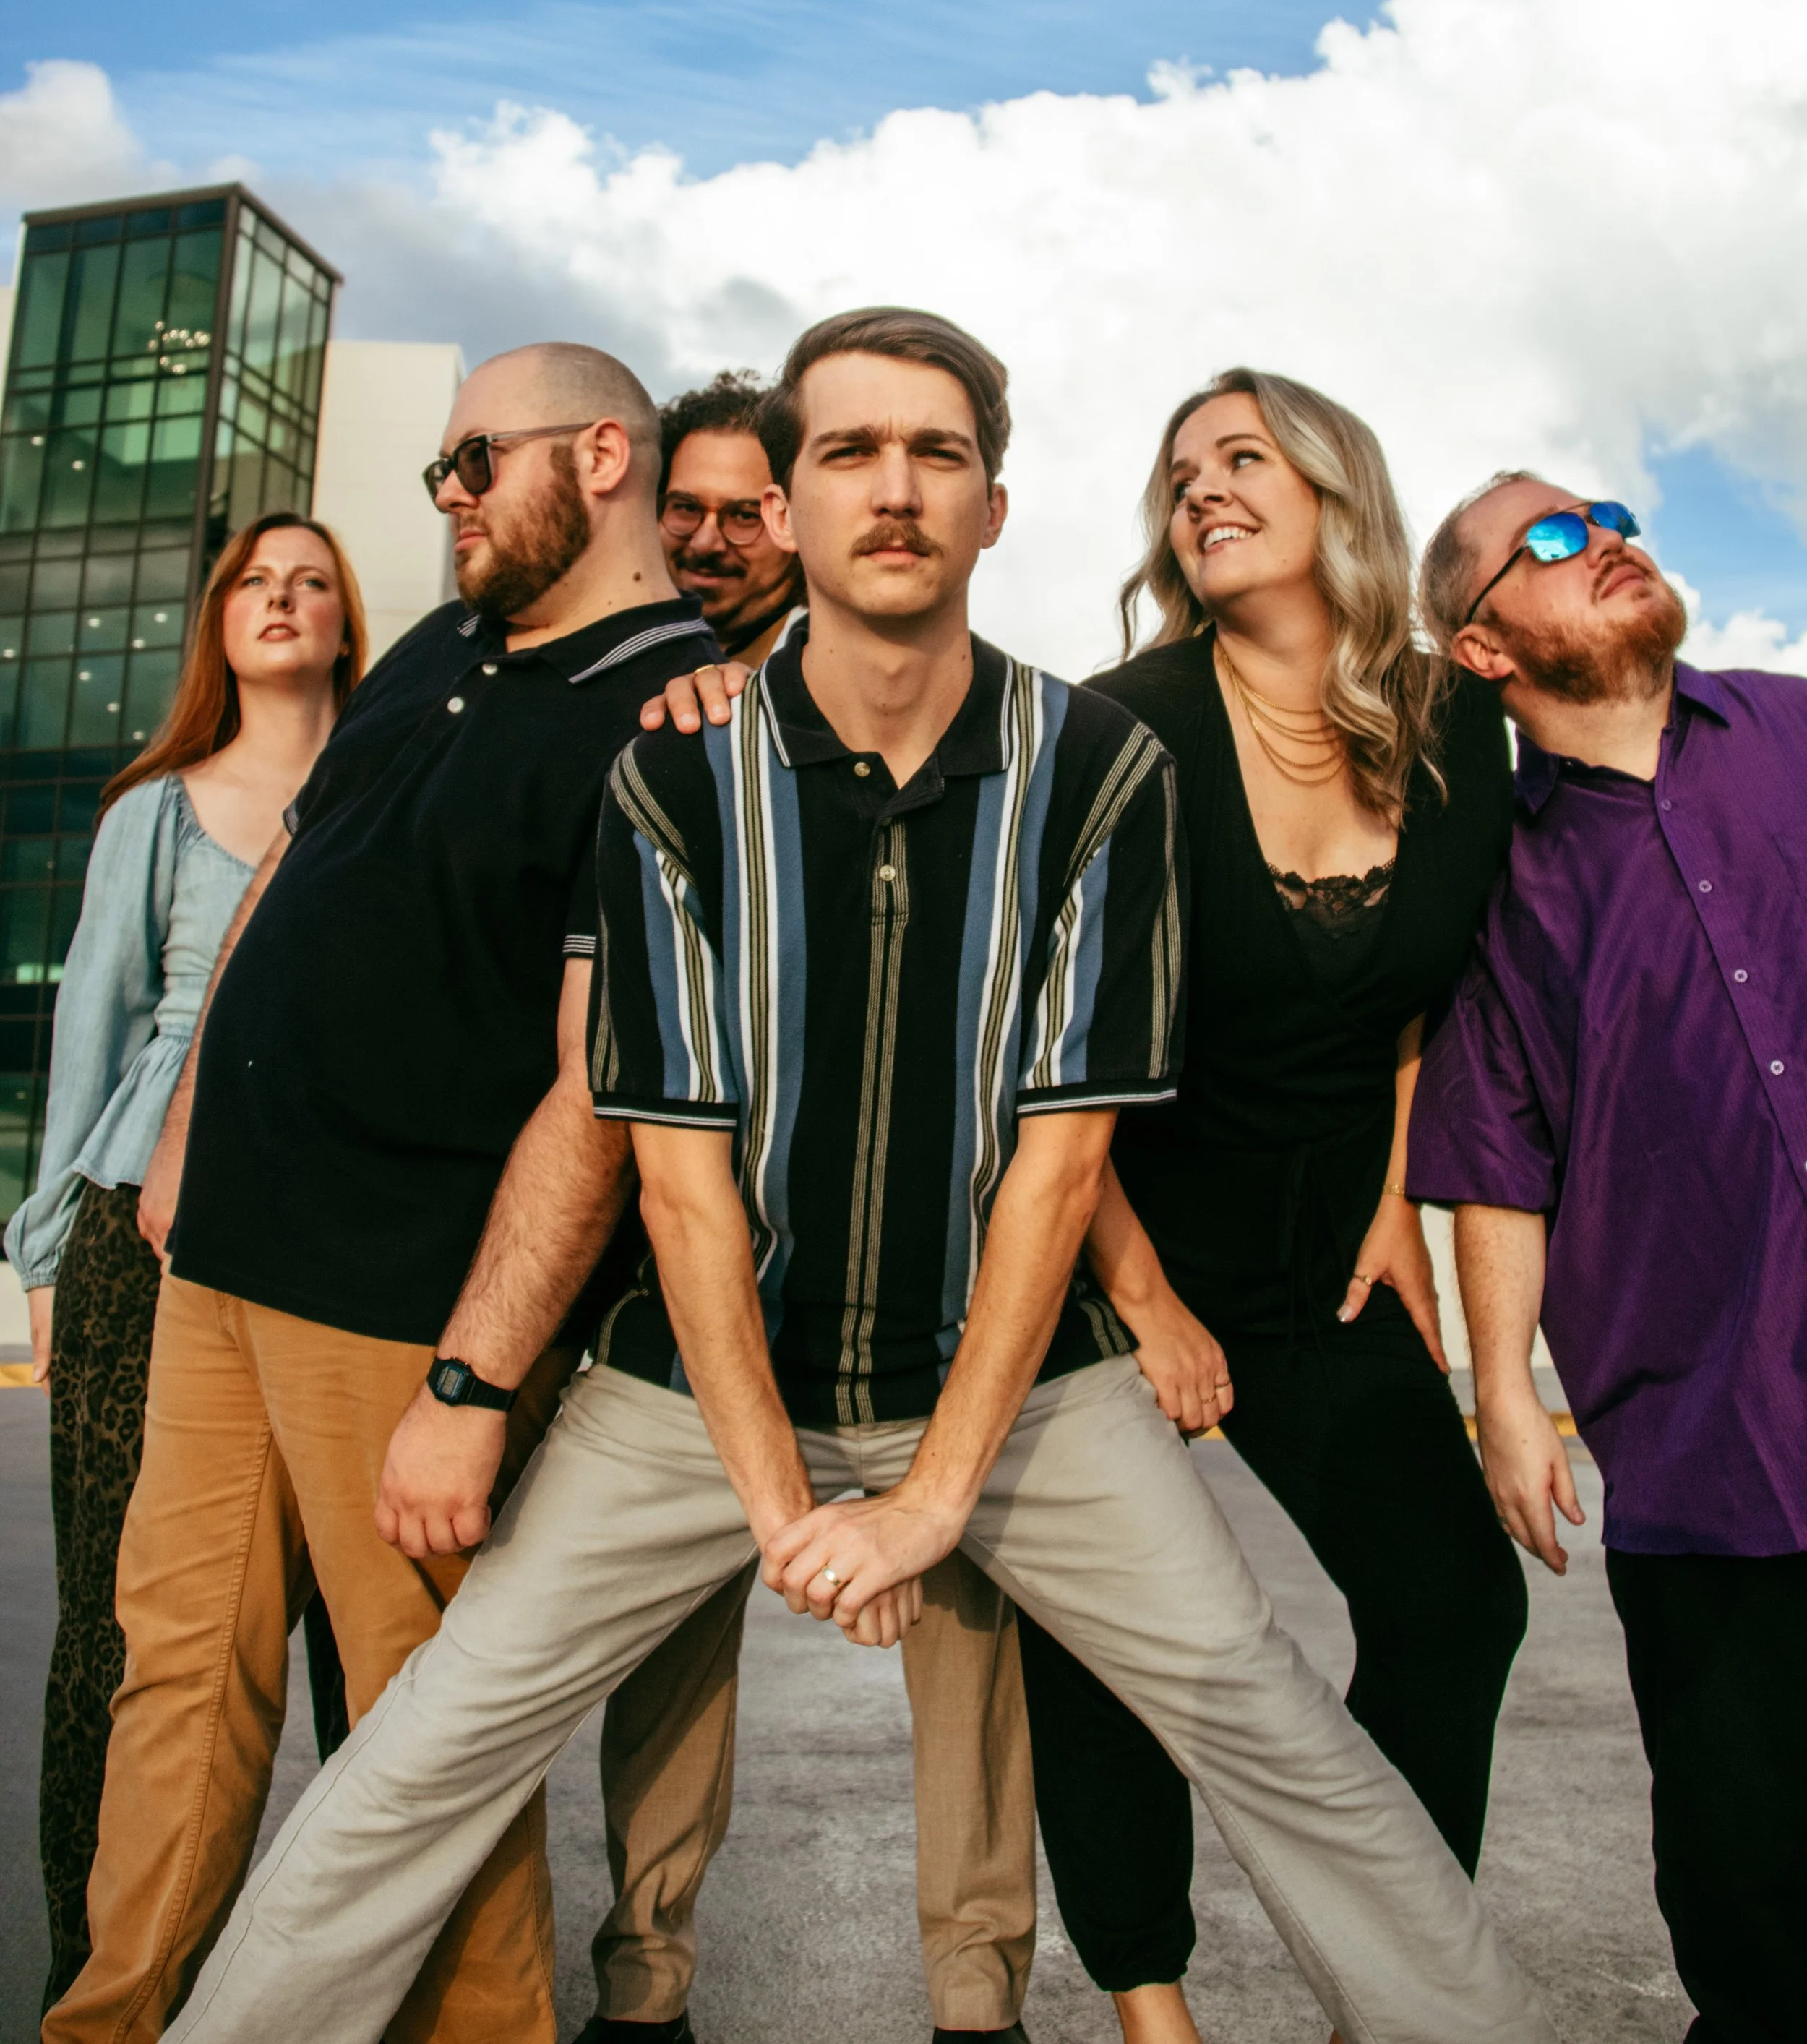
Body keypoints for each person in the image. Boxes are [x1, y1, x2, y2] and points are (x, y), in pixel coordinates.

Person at [163, 309, 1553, 2044]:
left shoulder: (1097, 767)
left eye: (937, 452)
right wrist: (782, 1506)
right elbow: (677, 1185)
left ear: (992, 507)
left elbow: (1056, 1170)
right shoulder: (671, 765)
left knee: (1272, 1720)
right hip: (695, 1392)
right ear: (790, 509)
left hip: (1019, 1378)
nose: (893, 489)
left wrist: (925, 1494)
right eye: (849, 451)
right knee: (431, 1742)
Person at [653, 366, 1533, 2044]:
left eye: (1245, 458)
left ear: (1338, 495)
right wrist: (1144, 1293)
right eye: (1181, 469)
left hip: (1333, 1260)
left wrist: (1405, 1191)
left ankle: (1402, 1977)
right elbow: (1026, 1051)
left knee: (1453, 1600)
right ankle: (1148, 1995)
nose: (1202, 486)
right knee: (1109, 1634)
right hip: (1110, 1233)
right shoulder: (1119, 728)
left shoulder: (1451, 718)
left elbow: (1456, 976)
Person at [44, 344, 718, 2044]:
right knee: (172, 1674)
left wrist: (472, 1380)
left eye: (474, 460)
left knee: (423, 1736)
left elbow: (598, 1083)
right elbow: (286, 858)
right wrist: (190, 1119)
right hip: (224, 1254)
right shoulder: (442, 644)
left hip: (395, 1297)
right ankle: (112, 2019)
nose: (448, 497)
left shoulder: (674, 709)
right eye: (437, 469)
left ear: (604, 453)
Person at [597, 374, 1039, 2043]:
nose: (710, 534)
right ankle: (643, 1989)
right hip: (673, 1280)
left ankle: (976, 1999)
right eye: (684, 509)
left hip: (920, 1289)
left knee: (971, 1620)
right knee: (666, 1647)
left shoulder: (900, 695)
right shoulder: (648, 703)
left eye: (738, 506)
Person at [1407, 471, 1807, 2044]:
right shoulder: (1494, 883)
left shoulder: (1791, 728)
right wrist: (1500, 1391)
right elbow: (1498, 1155)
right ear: (1482, 644)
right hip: (1711, 1442)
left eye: (1606, 512)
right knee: (1744, 1870)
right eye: (1551, 541)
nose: (1605, 537)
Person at [6, 514, 366, 2012]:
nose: (280, 602)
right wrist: (40, 1251)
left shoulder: (390, 779)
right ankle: (100, 1974)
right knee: (122, 1618)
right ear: (219, 627)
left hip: (339, 1236)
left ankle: (367, 1969)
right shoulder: (152, 810)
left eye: (310, 583)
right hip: (135, 1237)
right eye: (252, 587)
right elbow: (87, 1035)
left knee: (362, 1632)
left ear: (349, 621)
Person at [657, 369, 804, 665]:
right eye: (686, 508)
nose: (704, 544)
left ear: (792, 520)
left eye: (742, 515)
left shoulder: (829, 671)